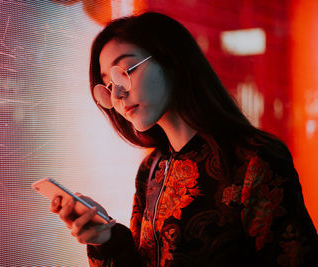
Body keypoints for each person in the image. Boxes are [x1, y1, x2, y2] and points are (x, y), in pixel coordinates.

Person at [49, 12, 318, 266]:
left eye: (126, 71)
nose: (117, 94)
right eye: (107, 84)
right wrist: (104, 238)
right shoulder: (151, 169)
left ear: (172, 60)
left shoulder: (254, 159)